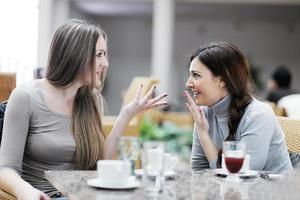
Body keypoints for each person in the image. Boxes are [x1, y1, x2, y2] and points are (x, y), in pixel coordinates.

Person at [0, 19, 167, 199]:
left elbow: (98, 165)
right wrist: (26, 192)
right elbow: (6, 169)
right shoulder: (25, 97)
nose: (106, 63)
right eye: (99, 55)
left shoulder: (92, 99)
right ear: (76, 54)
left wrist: (125, 116)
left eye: (105, 55)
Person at [184, 42, 293, 174]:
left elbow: (239, 177)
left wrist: (203, 134)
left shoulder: (258, 115)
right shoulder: (205, 112)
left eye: (196, 75)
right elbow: (198, 171)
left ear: (222, 80)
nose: (188, 83)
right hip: (231, 192)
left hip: (273, 192)